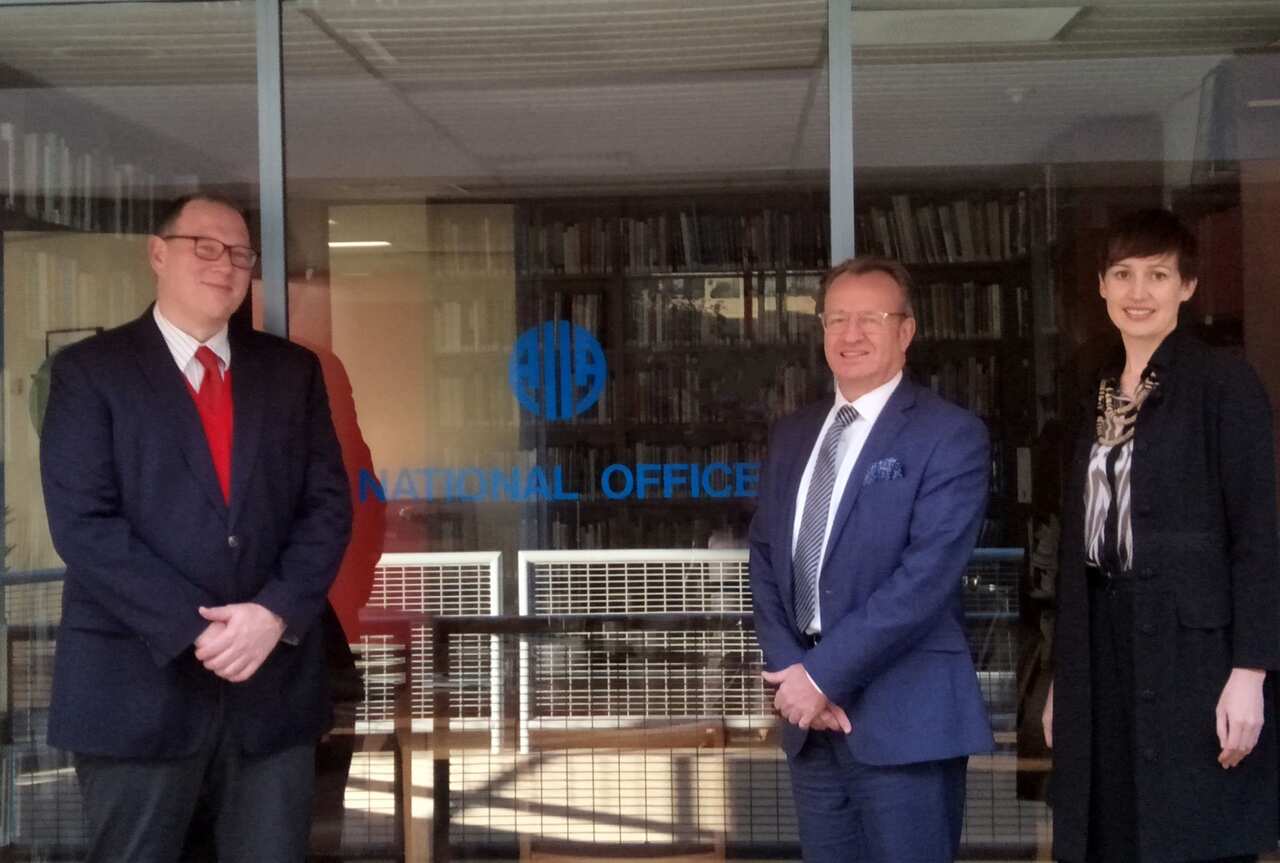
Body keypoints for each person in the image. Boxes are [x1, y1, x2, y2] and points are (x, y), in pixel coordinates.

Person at [39, 193, 353, 862]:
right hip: (134, 693)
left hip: (270, 699)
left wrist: (273, 612)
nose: (225, 264)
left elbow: (326, 507)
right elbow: (83, 523)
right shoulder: (90, 373)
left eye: (240, 253)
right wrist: (199, 627)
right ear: (158, 254)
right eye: (204, 247)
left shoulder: (291, 372)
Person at [1042, 208, 1280, 862]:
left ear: (1188, 286)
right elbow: (1075, 542)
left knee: (1192, 831)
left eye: (1157, 274)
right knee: (1108, 830)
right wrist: (1066, 671)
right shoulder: (1090, 386)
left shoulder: (1224, 383)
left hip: (1194, 655)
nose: (1137, 291)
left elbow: (1258, 532)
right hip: (1100, 641)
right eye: (1122, 274)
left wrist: (1250, 670)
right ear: (1101, 286)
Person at [749, 256, 994, 862]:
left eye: (870, 319)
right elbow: (763, 558)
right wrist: (792, 675)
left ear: (905, 332)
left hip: (905, 720)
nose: (851, 335)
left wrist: (821, 675)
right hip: (811, 723)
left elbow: (925, 579)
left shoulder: (949, 434)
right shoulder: (792, 434)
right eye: (837, 320)